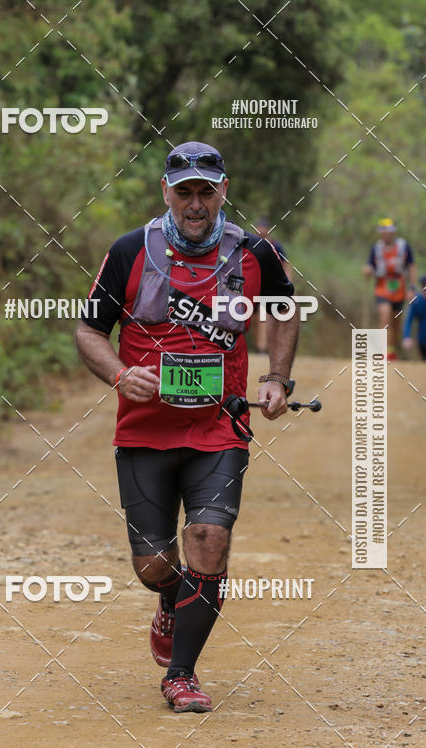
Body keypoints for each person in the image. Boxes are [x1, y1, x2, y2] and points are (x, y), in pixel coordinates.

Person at [75, 141, 299, 714]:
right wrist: (121, 374)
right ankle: (170, 600)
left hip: (220, 429)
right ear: (165, 192)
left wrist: (277, 377)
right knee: (154, 565)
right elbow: (88, 333)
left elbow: (283, 310)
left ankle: (182, 674)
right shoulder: (130, 251)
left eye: (207, 190)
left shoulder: (255, 253)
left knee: (208, 541)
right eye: (185, 191)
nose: (196, 203)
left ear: (224, 188)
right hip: (144, 431)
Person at [362, 218, 417, 361]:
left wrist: (412, 288)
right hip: (382, 287)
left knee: (395, 322)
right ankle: (382, 351)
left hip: (399, 288)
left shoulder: (403, 247)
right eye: (383, 232)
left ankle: (392, 350)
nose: (386, 235)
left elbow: (411, 266)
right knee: (384, 316)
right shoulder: (376, 249)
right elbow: (370, 266)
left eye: (388, 232)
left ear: (393, 232)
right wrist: (367, 270)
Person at [252, 217, 293, 354]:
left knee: (266, 317)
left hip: (271, 286)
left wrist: (287, 284)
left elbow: (287, 266)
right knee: (256, 319)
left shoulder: (276, 246)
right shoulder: (252, 244)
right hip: (255, 286)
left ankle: (263, 349)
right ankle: (260, 348)